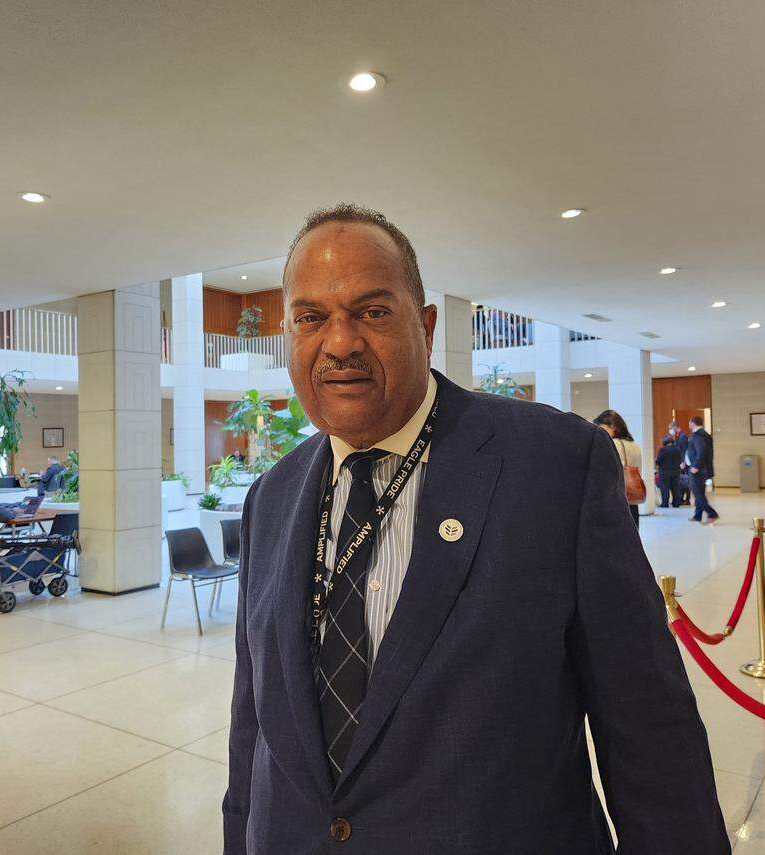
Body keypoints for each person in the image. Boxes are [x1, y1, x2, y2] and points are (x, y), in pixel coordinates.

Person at [223, 204, 727, 854]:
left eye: (372, 311)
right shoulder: (270, 497)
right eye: (311, 317)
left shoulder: (554, 464)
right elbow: (253, 724)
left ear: (426, 325)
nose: (340, 342)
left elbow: (650, 729)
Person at [593, 409, 644, 528]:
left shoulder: (614, 443)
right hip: (632, 497)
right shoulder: (634, 445)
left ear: (613, 427)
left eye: (601, 427)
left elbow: (609, 471)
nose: (599, 431)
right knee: (633, 531)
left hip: (618, 498)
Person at [686, 415, 718, 524]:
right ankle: (698, 515)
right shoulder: (704, 434)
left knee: (698, 494)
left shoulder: (698, 435)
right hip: (704, 469)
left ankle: (712, 513)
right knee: (700, 493)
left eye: (689, 422)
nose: (689, 424)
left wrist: (696, 466)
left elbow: (701, 451)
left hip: (698, 470)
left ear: (692, 423)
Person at [656, 435, 683, 509]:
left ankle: (665, 503)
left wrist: (657, 461)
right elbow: (680, 459)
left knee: (664, 487)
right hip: (676, 471)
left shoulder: (663, 450)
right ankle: (676, 502)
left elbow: (658, 461)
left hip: (664, 472)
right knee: (675, 487)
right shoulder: (677, 449)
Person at [669, 421, 691, 506]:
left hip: (683, 463)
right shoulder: (678, 436)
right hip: (680, 462)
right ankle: (681, 498)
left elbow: (685, 450)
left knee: (685, 481)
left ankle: (687, 499)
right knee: (682, 481)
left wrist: (683, 462)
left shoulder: (682, 436)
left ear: (675, 427)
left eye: (670, 428)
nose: (670, 430)